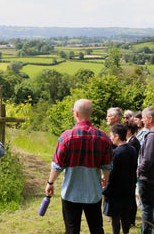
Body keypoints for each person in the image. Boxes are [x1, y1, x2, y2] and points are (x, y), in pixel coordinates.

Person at [45, 99, 113, 234]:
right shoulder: (104, 138)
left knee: (71, 229)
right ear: (91, 112)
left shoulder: (66, 137)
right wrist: (104, 178)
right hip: (93, 192)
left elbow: (57, 165)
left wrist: (50, 182)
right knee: (97, 229)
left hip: (71, 193)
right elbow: (107, 165)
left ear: (75, 113)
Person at [103, 124, 137, 234]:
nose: (110, 137)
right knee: (125, 214)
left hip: (115, 191)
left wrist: (105, 191)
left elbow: (112, 176)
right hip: (128, 189)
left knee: (115, 217)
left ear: (117, 136)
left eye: (111, 135)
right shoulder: (132, 150)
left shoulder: (115, 153)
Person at [137, 107, 154, 234]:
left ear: (150, 119)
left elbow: (148, 158)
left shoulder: (152, 136)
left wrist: (140, 170)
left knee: (146, 208)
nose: (142, 120)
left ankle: (146, 231)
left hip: (148, 178)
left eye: (144, 118)